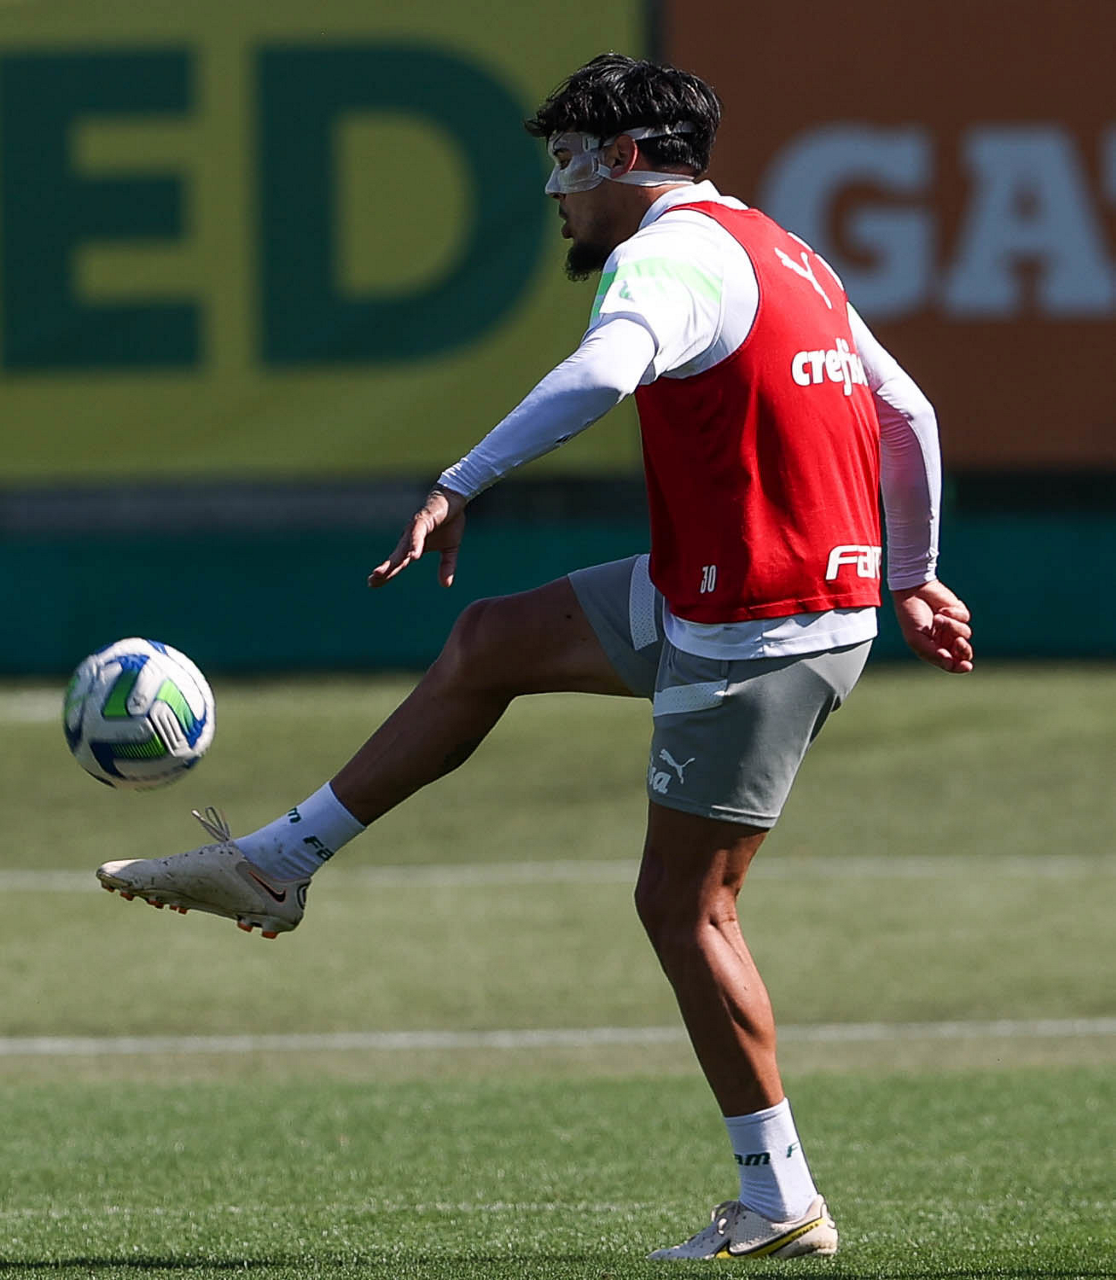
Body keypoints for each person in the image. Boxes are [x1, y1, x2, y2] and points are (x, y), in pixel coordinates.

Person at [97, 54, 973, 1261]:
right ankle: (278, 863)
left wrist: (460, 480)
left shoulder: (663, 257)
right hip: (725, 591)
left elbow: (607, 370)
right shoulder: (782, 248)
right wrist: (911, 573)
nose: (555, 192)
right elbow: (908, 410)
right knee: (490, 639)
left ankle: (780, 1198)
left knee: (686, 906)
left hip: (757, 625)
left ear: (625, 159)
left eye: (565, 162)